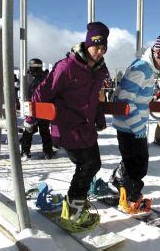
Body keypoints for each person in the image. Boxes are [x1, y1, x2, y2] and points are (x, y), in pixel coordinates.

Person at [26, 22, 110, 230]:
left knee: (94, 164)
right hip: (67, 126)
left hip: (87, 128)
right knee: (87, 165)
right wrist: (30, 120)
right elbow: (43, 92)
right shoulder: (67, 66)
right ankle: (73, 211)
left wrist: (99, 117)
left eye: (103, 47)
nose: (99, 52)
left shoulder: (100, 70)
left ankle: (75, 201)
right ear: (87, 44)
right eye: (95, 46)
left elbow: (96, 97)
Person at [110, 33, 160, 214]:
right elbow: (125, 100)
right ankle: (131, 198)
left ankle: (121, 181)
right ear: (159, 53)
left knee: (133, 161)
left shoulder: (146, 68)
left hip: (132, 125)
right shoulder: (142, 68)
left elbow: (135, 97)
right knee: (139, 165)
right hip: (131, 127)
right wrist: (138, 128)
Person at [20, 58, 54, 160]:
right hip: (41, 107)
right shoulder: (44, 76)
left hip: (33, 107)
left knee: (29, 130)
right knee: (43, 130)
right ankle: (47, 151)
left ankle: (26, 152)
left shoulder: (28, 77)